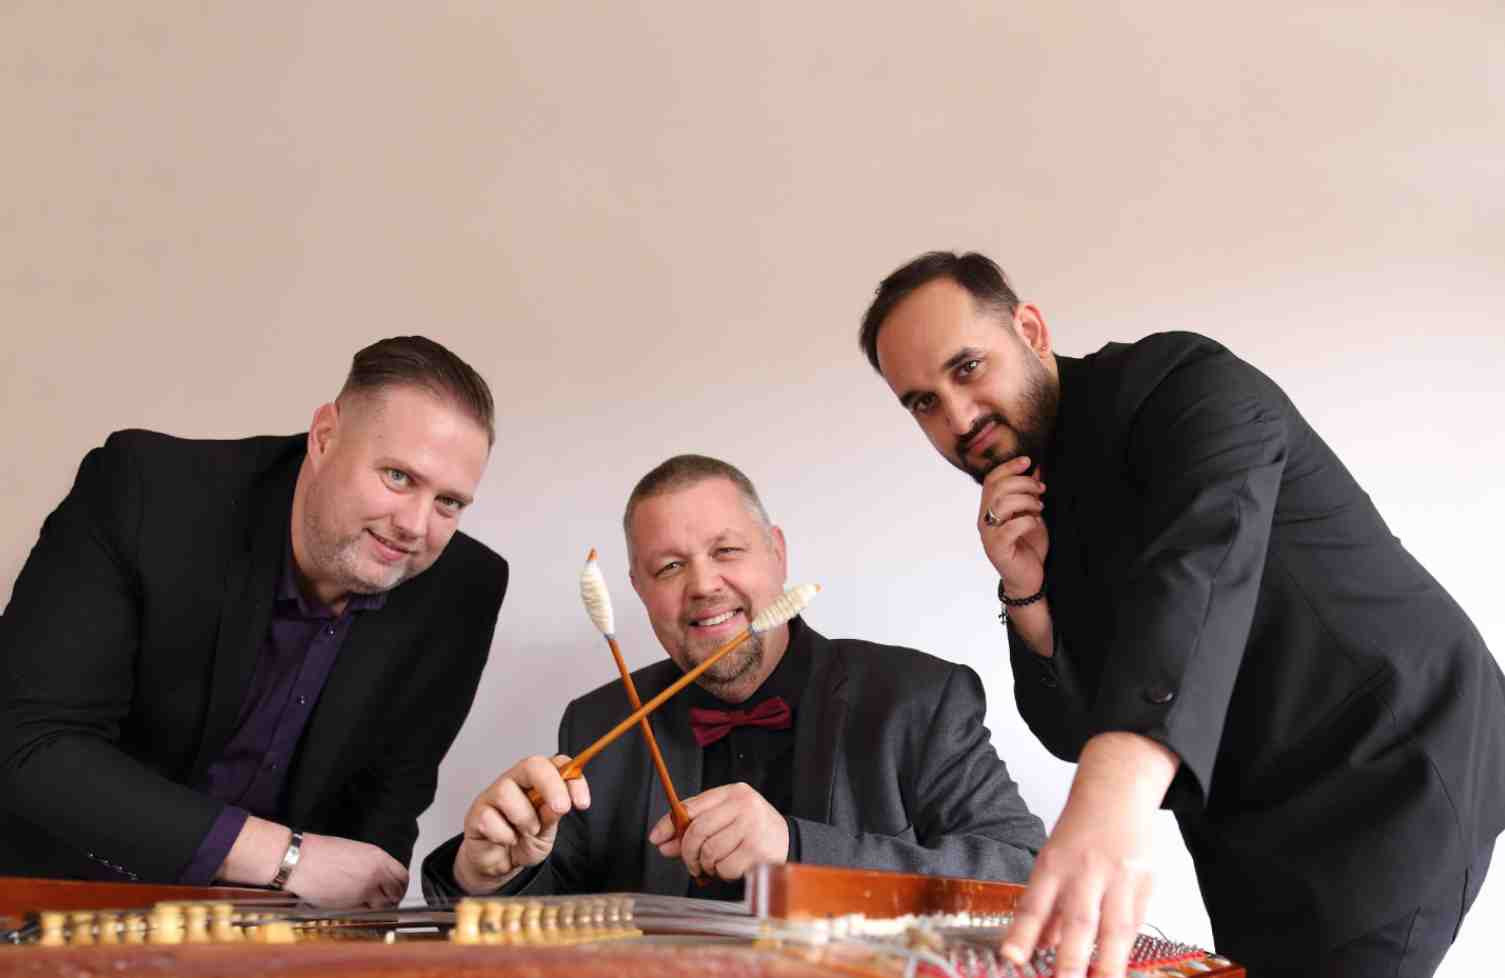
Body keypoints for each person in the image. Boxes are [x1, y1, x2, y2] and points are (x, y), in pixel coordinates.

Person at [857, 250, 1505, 978]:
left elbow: (1197, 569)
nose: (959, 415)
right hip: (1245, 816)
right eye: (923, 402)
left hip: (1390, 759)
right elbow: (1072, 732)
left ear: (1030, 331)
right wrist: (1025, 592)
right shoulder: (1028, 503)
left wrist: (1113, 795)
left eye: (967, 368)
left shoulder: (1184, 386)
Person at [0, 336, 508, 909]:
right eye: (397, 476)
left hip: (271, 933)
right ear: (324, 437)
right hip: (48, 902)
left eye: (449, 503)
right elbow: (32, 742)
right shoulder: (147, 490)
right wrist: (285, 857)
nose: (415, 525)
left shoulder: (463, 588)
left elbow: (380, 821)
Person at [423, 454, 1044, 902]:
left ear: (777, 553)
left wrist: (797, 848)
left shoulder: (918, 698)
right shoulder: (600, 723)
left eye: (726, 551)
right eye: (669, 567)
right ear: (639, 591)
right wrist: (491, 875)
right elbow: (556, 925)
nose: (703, 585)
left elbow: (1022, 876)